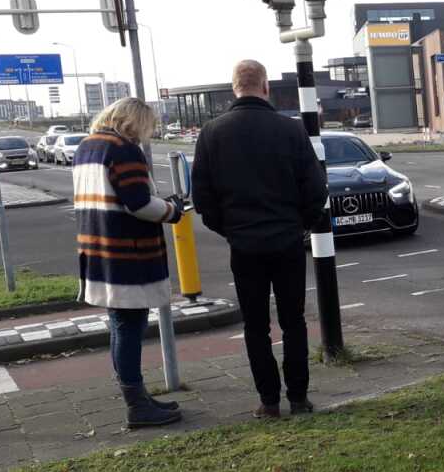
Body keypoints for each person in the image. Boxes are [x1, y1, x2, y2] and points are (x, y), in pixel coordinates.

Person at [192, 60, 327, 419]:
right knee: (293, 321)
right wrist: (301, 226)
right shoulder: (291, 131)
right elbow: (316, 190)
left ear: (234, 88)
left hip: (244, 246)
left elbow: (202, 199)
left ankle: (269, 401)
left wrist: (231, 230)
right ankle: (299, 397)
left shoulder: (212, 133)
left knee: (255, 326)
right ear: (265, 87)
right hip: (287, 242)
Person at [73, 97, 184, 427]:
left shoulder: (86, 147)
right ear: (133, 122)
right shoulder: (122, 149)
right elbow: (138, 204)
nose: (145, 135)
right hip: (127, 252)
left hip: (98, 248)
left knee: (118, 326)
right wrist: (172, 210)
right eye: (145, 126)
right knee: (129, 327)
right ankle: (137, 405)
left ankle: (137, 396)